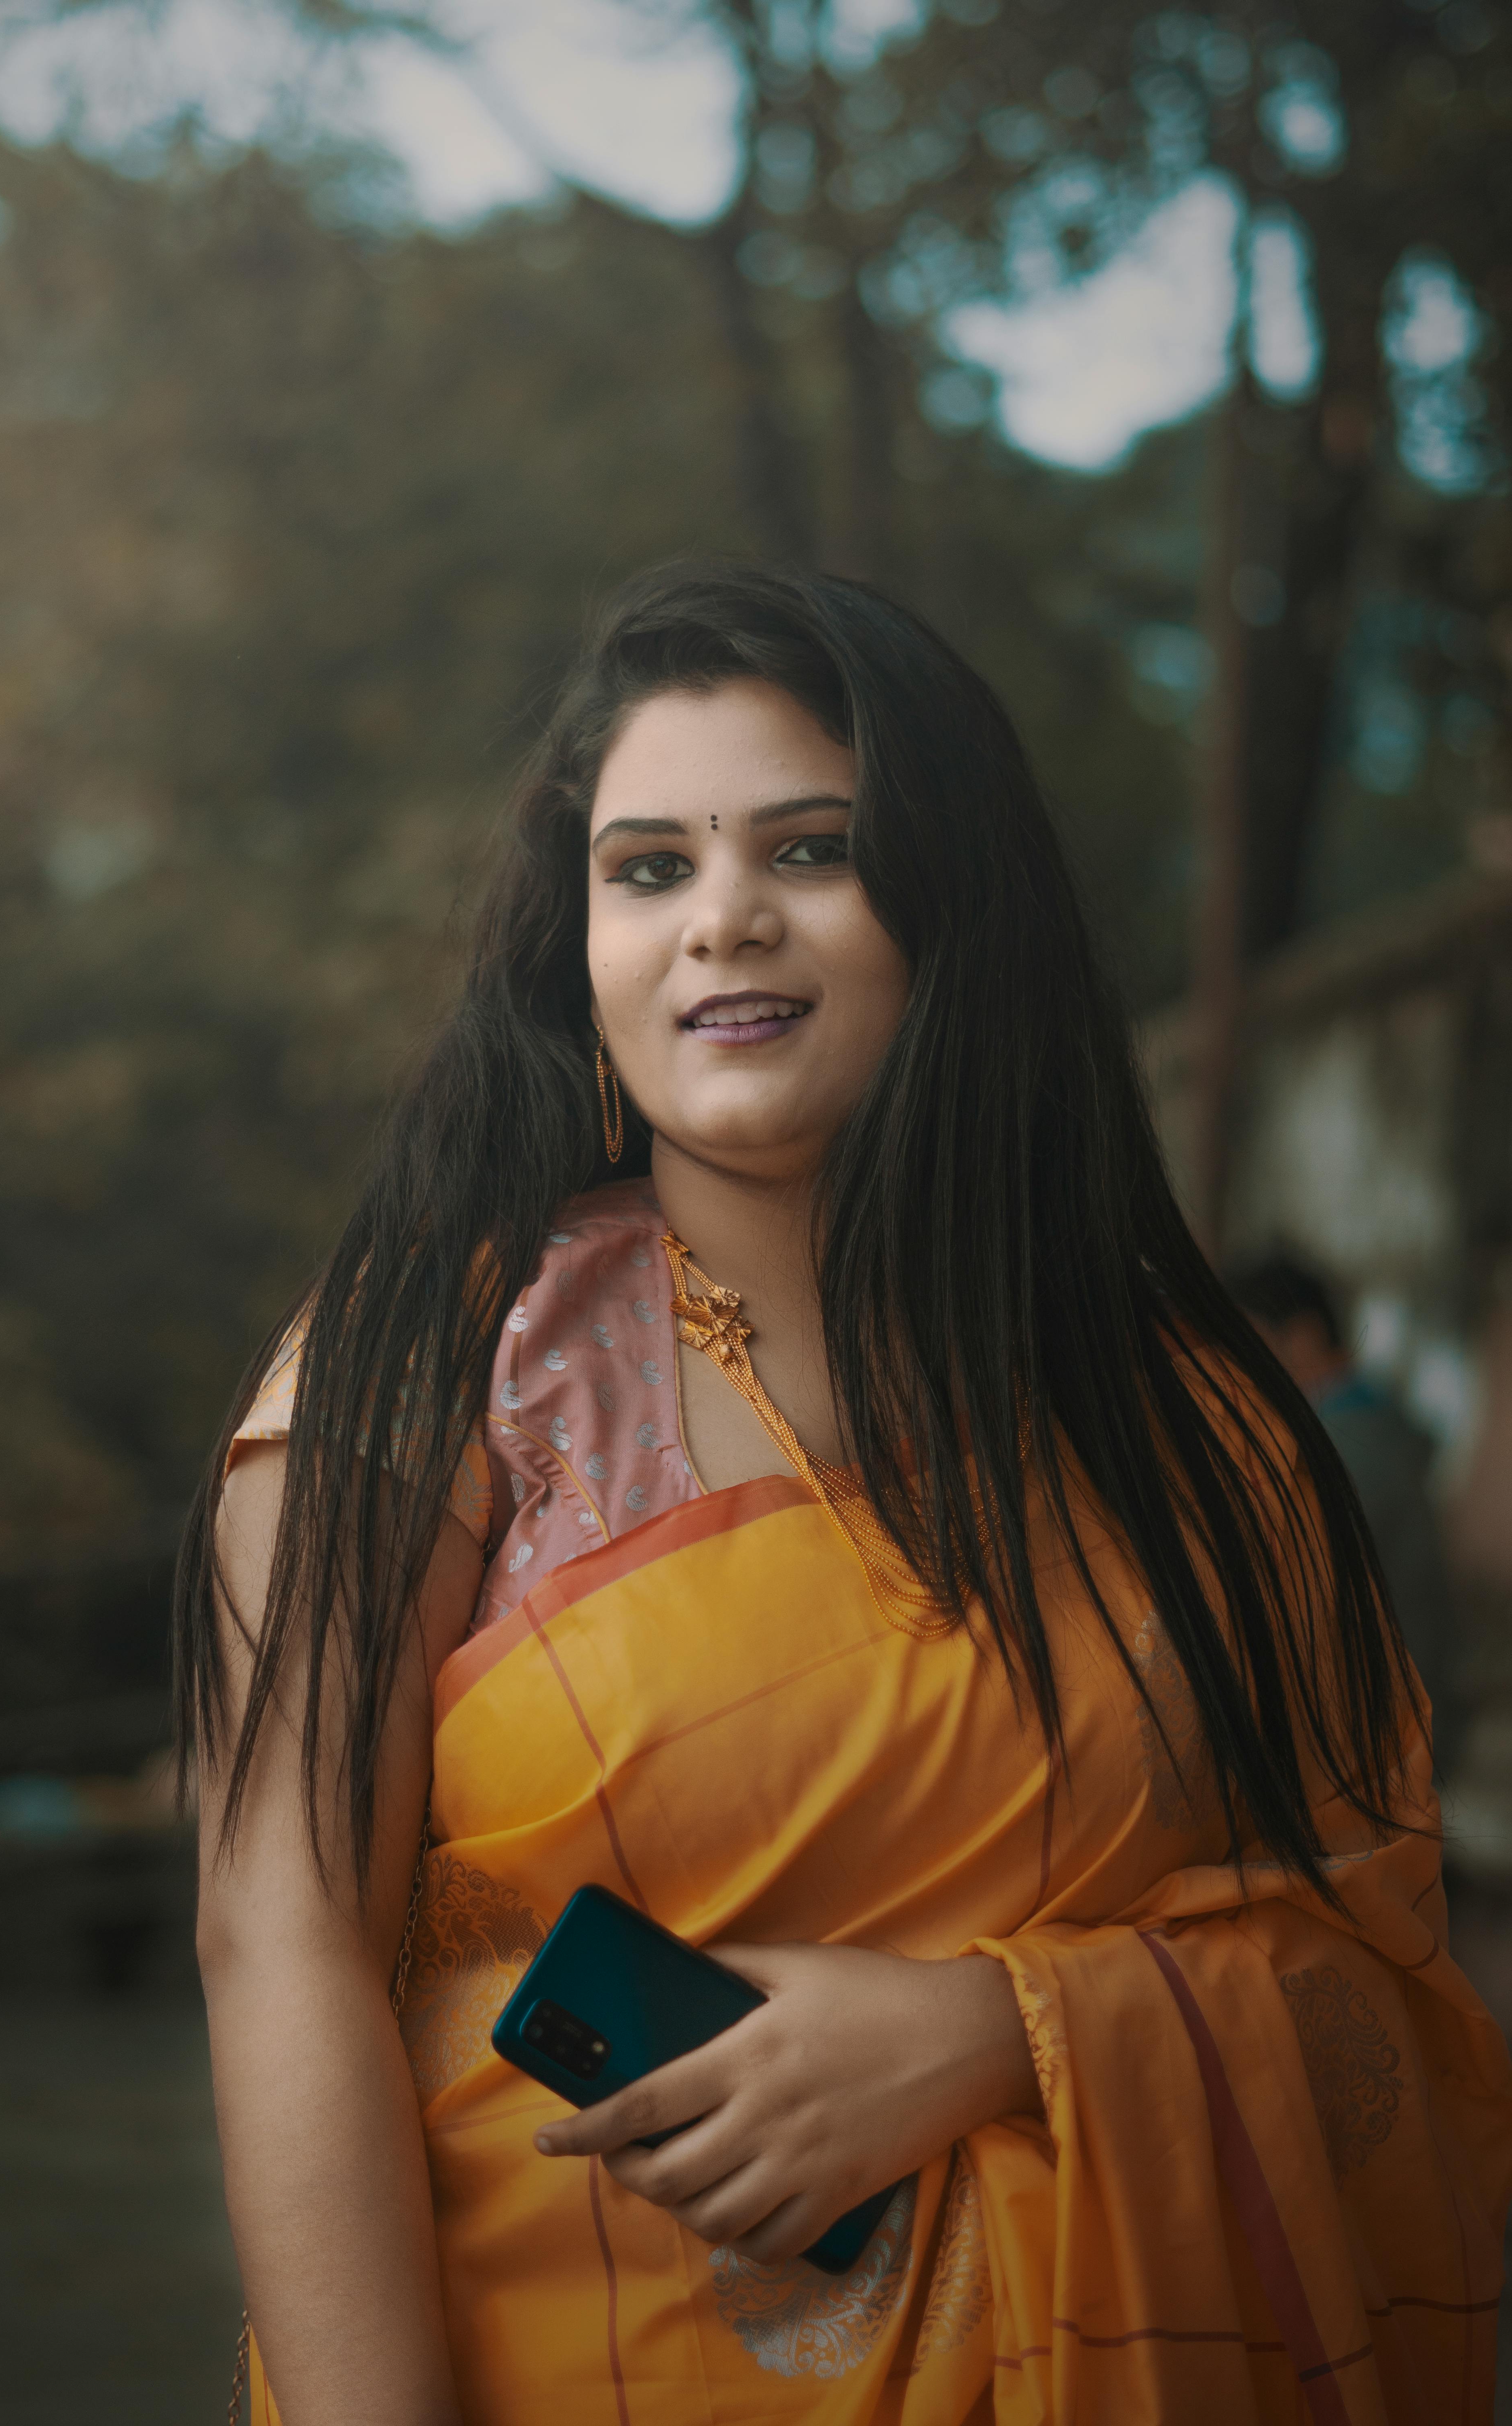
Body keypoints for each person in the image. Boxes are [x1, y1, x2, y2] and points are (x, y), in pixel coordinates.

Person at [176, 563, 1512, 2425]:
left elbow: (1376, 1986)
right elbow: (282, 1941)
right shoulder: (431, 1368)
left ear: (950, 904)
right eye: (646, 868)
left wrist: (993, 2033)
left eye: (806, 848)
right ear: (575, 944)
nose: (719, 917)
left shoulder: (1188, 1429)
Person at [1228, 1253, 1459, 1779]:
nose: (1228, 1365)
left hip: (1377, 1754)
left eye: (1243, 1338)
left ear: (1303, 1338)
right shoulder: (1366, 1426)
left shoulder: (1338, 1453)